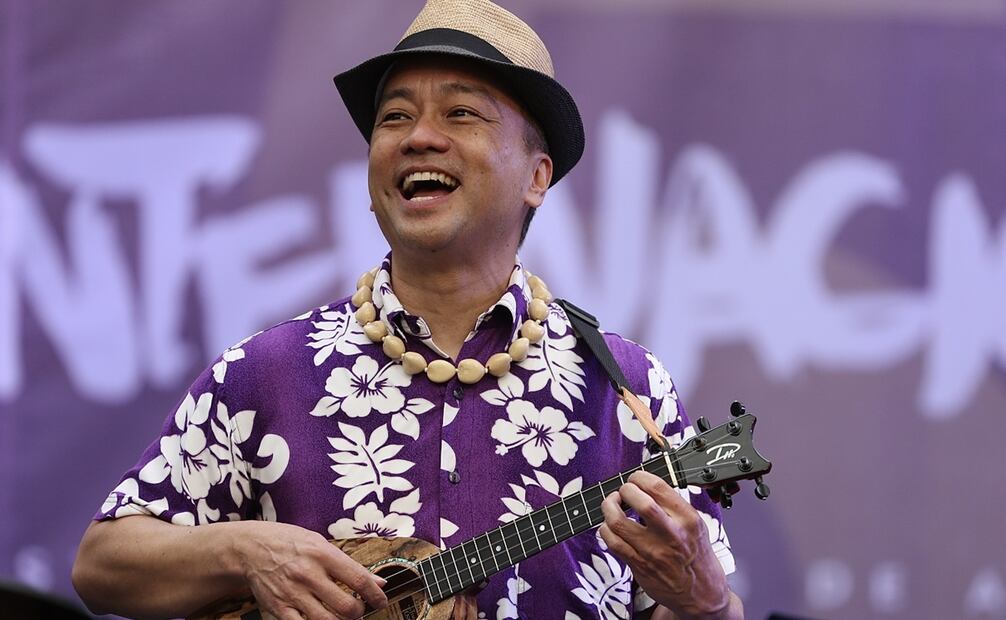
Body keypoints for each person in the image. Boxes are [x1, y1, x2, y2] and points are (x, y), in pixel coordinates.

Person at [72, 1, 743, 618]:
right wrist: (249, 552)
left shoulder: (626, 390)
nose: (418, 137)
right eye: (395, 117)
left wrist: (706, 598)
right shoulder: (267, 372)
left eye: (461, 114)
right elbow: (102, 565)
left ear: (537, 176)